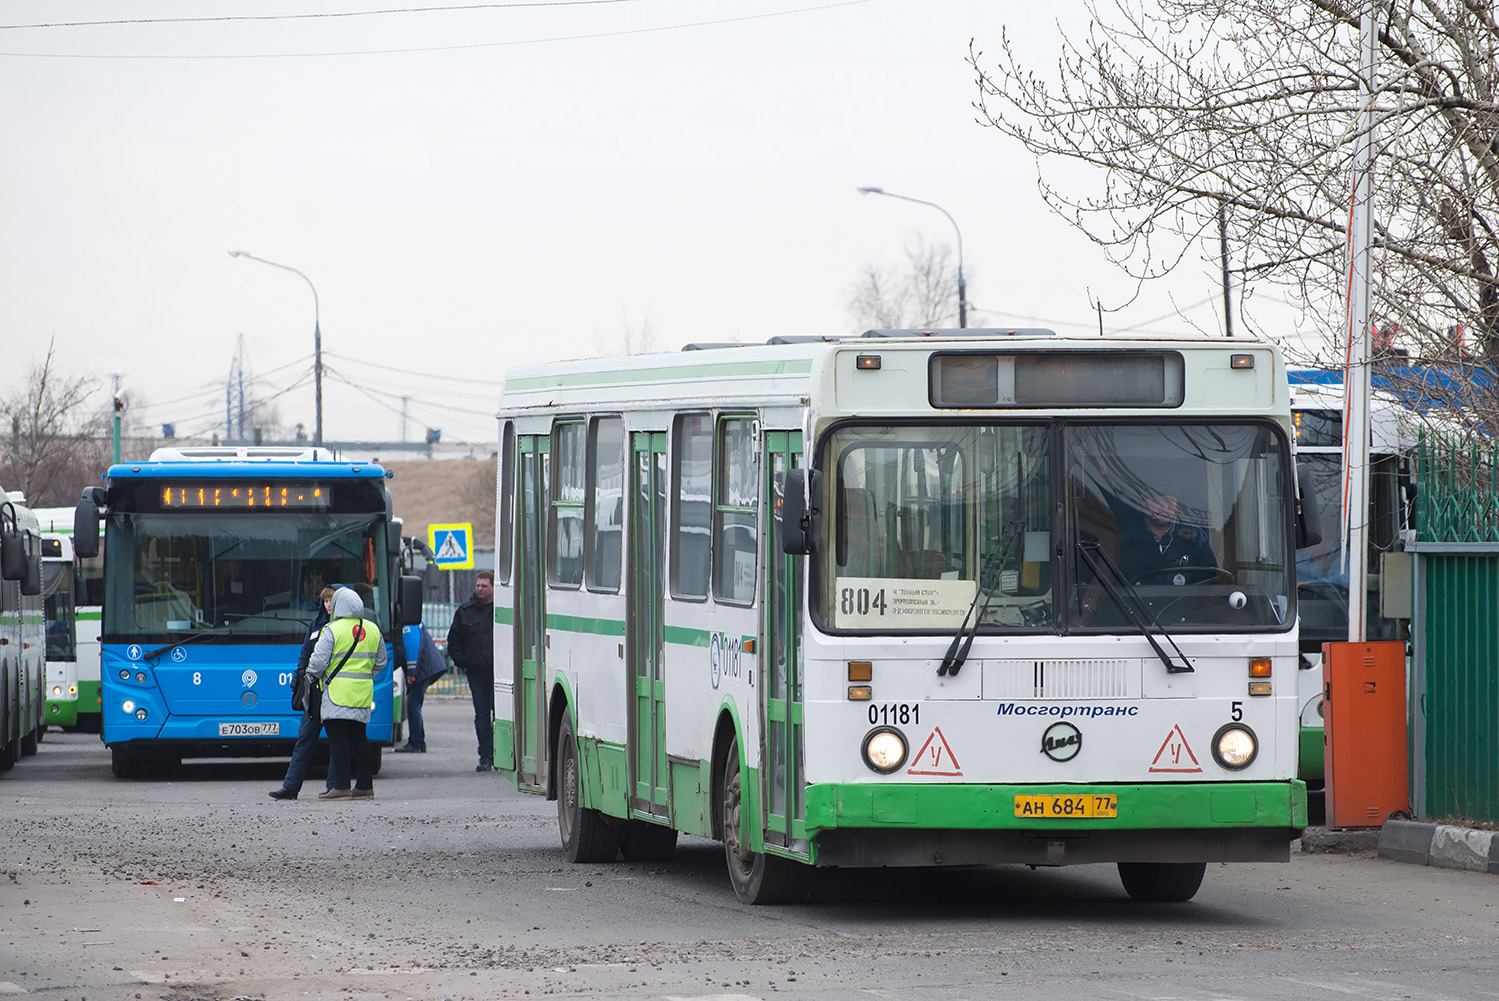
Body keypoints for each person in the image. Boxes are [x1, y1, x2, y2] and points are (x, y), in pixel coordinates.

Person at [309, 587, 385, 800]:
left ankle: (341, 786)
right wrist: (364, 675)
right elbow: (381, 662)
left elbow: (317, 663)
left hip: (336, 695)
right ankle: (364, 786)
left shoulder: (332, 630)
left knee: (338, 741)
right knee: (360, 738)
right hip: (362, 694)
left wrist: (314, 675)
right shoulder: (372, 629)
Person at [269, 586, 338, 801]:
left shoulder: (342, 627)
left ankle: (334, 787)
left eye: (331, 600)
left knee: (337, 742)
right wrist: (300, 677)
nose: (328, 604)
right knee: (305, 738)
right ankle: (291, 787)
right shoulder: (316, 624)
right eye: (325, 600)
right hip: (315, 692)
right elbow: (305, 654)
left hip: (336, 691)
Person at [447, 570, 495, 772]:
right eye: (478, 585)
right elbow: (453, 643)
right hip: (476, 673)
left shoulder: (503, 610)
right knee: (482, 715)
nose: (480, 589)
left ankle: (503, 756)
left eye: (484, 586)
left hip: (499, 673)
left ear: (493, 588)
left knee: (501, 715)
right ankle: (485, 757)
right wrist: (464, 663)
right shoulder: (465, 611)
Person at [1118, 493, 1217, 584]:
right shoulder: (1127, 537)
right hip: (1136, 603)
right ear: (1144, 504)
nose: (1165, 507)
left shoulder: (1195, 537)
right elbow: (1115, 580)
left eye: (1170, 500)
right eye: (1157, 501)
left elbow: (1211, 579)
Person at [394, 623, 447, 753]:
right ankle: (419, 742)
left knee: (413, 704)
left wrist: (412, 672)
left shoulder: (408, 624)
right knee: (414, 704)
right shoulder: (410, 622)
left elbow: (412, 645)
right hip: (424, 668)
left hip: (422, 669)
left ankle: (416, 742)